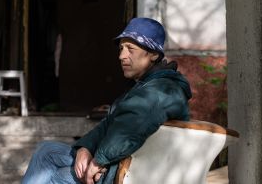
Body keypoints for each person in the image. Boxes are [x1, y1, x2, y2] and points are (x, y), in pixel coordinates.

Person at [21, 18, 192, 184]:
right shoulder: (145, 86)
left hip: (127, 171)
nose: (122, 56)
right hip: (115, 160)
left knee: (57, 177)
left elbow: (129, 130)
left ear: (153, 54)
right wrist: (85, 147)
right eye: (121, 48)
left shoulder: (162, 90)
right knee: (46, 151)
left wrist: (99, 160)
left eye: (130, 49)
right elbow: (108, 123)